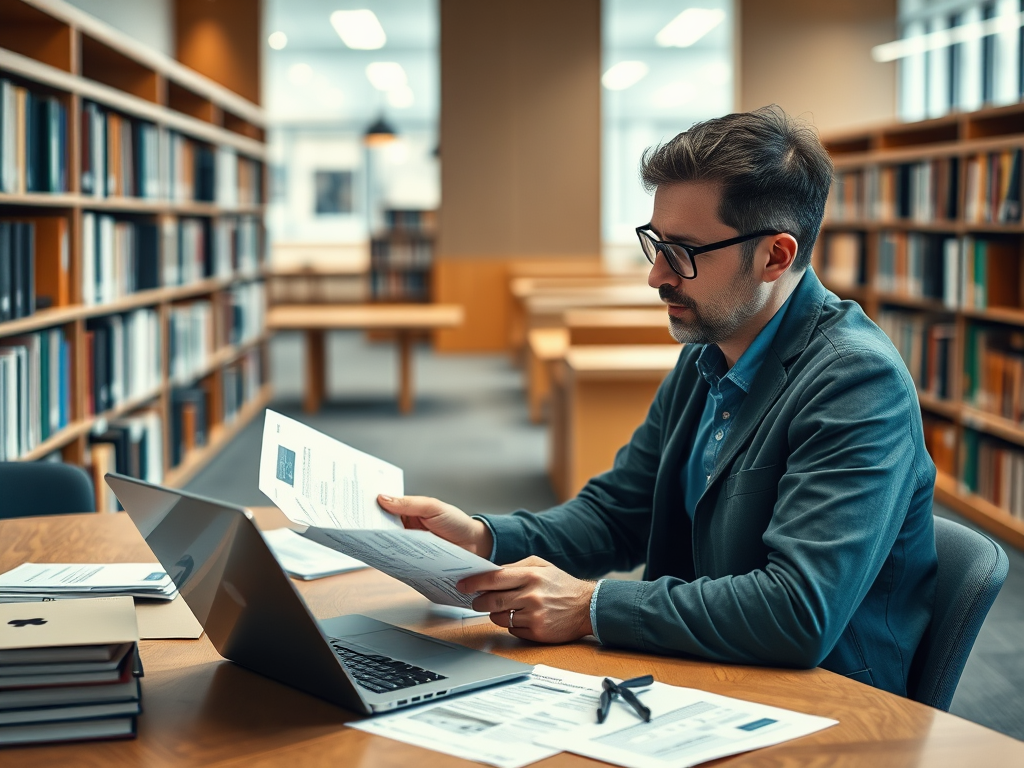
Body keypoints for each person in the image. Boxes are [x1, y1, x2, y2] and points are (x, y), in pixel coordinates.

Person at [377, 105, 937, 697]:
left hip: (824, 706)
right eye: (656, 243)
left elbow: (797, 612)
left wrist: (591, 607)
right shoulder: (709, 352)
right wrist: (483, 539)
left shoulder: (855, 382)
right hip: (701, 671)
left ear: (775, 255)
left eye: (685, 252)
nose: (657, 276)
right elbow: (619, 512)